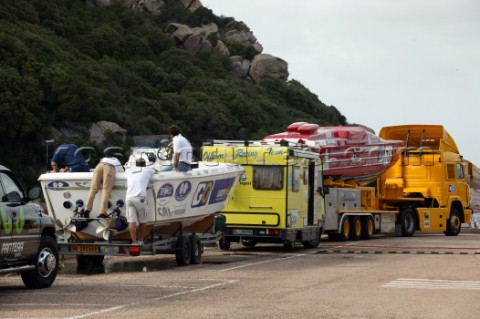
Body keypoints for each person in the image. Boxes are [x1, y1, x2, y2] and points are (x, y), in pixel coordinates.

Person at [125, 158, 156, 245]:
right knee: (142, 221)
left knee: (132, 221)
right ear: (145, 164)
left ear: (136, 164)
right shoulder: (148, 170)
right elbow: (155, 170)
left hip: (129, 198)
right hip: (140, 198)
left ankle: (134, 242)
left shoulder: (130, 170)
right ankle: (140, 240)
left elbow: (126, 168)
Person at [84, 154, 124, 219]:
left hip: (99, 166)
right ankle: (103, 212)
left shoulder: (104, 159)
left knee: (93, 189)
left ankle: (87, 210)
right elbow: (122, 172)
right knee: (106, 190)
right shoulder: (117, 161)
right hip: (109, 167)